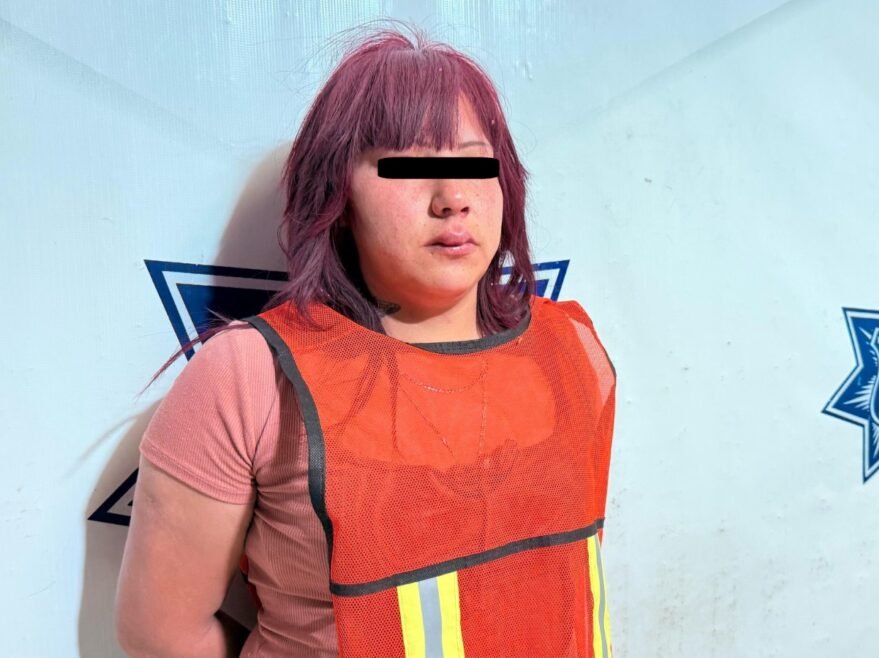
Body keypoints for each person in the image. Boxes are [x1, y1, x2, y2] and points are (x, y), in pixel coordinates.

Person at [115, 23, 617, 658]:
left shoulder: (570, 352)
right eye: (406, 166)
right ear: (338, 195)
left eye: (474, 162)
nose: (453, 198)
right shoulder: (250, 376)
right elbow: (163, 633)